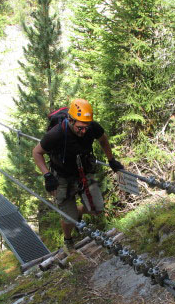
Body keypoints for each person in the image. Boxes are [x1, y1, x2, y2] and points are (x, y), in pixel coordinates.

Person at [32, 98, 123, 253]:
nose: (84, 131)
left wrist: (111, 159)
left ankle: (77, 213)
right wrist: (47, 175)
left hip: (83, 171)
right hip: (61, 176)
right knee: (69, 218)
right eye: (80, 128)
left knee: (97, 209)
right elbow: (36, 152)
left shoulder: (91, 127)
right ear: (70, 120)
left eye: (86, 127)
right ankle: (68, 239)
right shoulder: (57, 134)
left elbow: (103, 140)